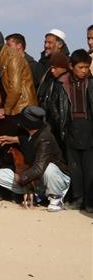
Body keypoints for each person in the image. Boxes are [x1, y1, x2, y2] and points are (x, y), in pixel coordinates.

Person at [38, 50, 93, 211]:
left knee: (89, 166)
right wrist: (61, 124)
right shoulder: (61, 83)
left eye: (86, 67)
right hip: (69, 127)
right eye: (80, 67)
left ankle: (89, 201)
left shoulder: (91, 83)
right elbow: (54, 106)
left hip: (88, 127)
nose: (84, 70)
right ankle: (78, 198)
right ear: (71, 66)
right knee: (74, 165)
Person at [0, 106, 71, 212]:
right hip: (36, 180)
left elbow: (39, 167)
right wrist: (15, 139)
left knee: (49, 168)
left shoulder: (45, 138)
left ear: (27, 123)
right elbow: (29, 140)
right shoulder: (32, 133)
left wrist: (21, 178)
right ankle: (34, 195)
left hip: (55, 179)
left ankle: (56, 198)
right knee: (0, 175)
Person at [0, 35, 38, 136]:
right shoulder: (1, 61)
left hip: (21, 111)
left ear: (19, 46)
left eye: (8, 45)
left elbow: (17, 89)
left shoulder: (28, 63)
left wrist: (6, 110)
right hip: (11, 110)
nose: (5, 47)